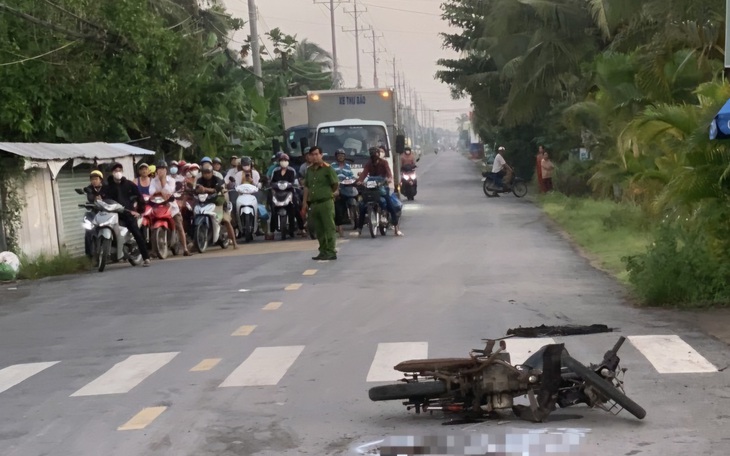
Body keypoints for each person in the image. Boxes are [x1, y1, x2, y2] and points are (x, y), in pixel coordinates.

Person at [103, 162, 151, 266]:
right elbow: (103, 199)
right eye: (116, 171)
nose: (118, 172)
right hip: (113, 214)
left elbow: (139, 197)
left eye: (120, 170)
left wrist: (139, 211)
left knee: (137, 233)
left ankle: (146, 257)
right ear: (112, 172)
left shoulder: (129, 184)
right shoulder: (107, 186)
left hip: (128, 214)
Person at [355, 147, 403, 236]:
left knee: (389, 204)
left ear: (378, 154)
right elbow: (364, 174)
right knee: (362, 206)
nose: (373, 156)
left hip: (382, 186)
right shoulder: (368, 164)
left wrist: (388, 179)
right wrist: (360, 181)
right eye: (372, 154)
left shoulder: (384, 163)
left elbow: (389, 173)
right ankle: (359, 229)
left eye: (375, 154)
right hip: (371, 188)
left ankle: (396, 228)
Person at [302, 146, 339, 260]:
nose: (314, 157)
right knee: (318, 228)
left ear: (321, 155)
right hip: (314, 203)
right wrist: (304, 203)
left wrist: (327, 193)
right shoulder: (309, 170)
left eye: (317, 154)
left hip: (326, 202)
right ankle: (322, 251)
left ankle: (331, 251)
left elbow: (335, 184)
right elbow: (307, 187)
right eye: (312, 154)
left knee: (329, 227)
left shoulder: (328, 169)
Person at [149, 160, 192, 256]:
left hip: (171, 207)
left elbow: (169, 191)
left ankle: (185, 248)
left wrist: (163, 181)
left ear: (166, 170)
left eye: (163, 169)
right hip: (158, 205)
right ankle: (153, 250)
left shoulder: (171, 180)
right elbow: (151, 192)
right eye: (159, 169)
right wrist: (159, 193)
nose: (161, 171)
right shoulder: (153, 181)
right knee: (151, 225)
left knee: (179, 226)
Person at [195, 159, 237, 249]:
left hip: (218, 201)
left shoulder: (217, 177)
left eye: (208, 172)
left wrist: (206, 189)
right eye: (204, 173)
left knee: (225, 220)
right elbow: (196, 188)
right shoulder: (199, 178)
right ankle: (196, 240)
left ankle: (234, 242)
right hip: (205, 201)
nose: (206, 174)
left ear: (211, 172)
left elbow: (219, 188)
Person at [269, 153, 304, 236]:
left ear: (288, 161)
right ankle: (272, 231)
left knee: (295, 209)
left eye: (285, 160)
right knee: (273, 210)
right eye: (282, 160)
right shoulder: (276, 171)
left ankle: (301, 228)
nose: (283, 162)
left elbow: (295, 181)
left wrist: (295, 185)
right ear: (279, 161)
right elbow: (272, 182)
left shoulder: (291, 171)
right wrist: (272, 187)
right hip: (277, 193)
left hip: (290, 192)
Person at [83, 170, 106, 257]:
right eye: (92, 179)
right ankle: (89, 255)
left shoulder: (106, 187)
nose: (94, 181)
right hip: (94, 213)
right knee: (88, 231)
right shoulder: (89, 188)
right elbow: (90, 197)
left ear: (101, 179)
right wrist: (94, 198)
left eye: (96, 179)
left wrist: (103, 198)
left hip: (107, 212)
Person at [332, 149, 354, 237]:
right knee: (338, 205)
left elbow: (351, 176)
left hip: (346, 187)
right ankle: (339, 226)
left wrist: (352, 179)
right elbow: (331, 176)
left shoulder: (348, 166)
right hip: (336, 188)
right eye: (339, 155)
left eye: (342, 155)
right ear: (336, 157)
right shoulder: (332, 166)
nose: (340, 156)